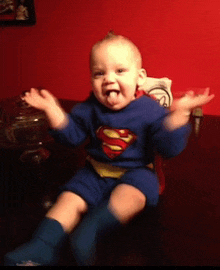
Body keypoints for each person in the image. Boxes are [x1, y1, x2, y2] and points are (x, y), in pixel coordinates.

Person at [4, 32, 215, 266]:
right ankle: (41, 246)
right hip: (95, 171)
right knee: (67, 200)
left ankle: (90, 231)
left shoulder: (150, 110)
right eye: (99, 73)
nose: (108, 79)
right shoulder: (90, 108)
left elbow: (168, 148)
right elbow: (72, 137)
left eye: (120, 71)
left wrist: (178, 117)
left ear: (140, 78)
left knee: (132, 197)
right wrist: (52, 109)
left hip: (135, 173)